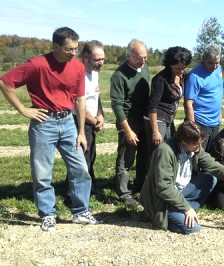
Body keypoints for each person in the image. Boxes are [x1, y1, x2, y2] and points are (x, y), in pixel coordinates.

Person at [0, 27, 99, 231]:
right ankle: (47, 214)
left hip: (69, 123)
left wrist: (81, 131)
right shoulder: (37, 64)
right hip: (44, 124)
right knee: (42, 172)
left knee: (80, 169)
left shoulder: (78, 67)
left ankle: (80, 212)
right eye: (69, 49)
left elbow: (80, 99)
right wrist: (23, 110)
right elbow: (5, 82)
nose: (73, 53)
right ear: (55, 46)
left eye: (76, 49)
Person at [139, 121, 224, 234]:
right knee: (192, 228)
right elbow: (164, 187)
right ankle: (160, 215)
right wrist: (187, 208)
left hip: (182, 191)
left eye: (201, 143)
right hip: (162, 200)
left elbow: (213, 166)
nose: (200, 147)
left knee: (210, 178)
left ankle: (182, 209)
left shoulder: (195, 148)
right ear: (184, 141)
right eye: (197, 144)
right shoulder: (165, 151)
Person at [110, 39, 150, 209]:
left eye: (145, 57)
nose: (143, 61)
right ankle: (124, 193)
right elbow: (117, 105)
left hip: (144, 117)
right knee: (126, 158)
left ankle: (140, 187)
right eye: (139, 58)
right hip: (129, 119)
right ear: (128, 56)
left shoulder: (145, 68)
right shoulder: (119, 75)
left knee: (144, 155)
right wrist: (127, 130)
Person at [145, 46, 192, 161]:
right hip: (157, 119)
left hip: (169, 118)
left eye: (183, 68)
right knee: (157, 152)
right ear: (169, 64)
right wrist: (155, 131)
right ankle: (151, 178)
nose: (181, 71)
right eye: (177, 68)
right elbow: (152, 105)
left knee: (171, 149)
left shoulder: (183, 76)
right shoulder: (160, 79)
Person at [70, 40, 106, 187]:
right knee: (82, 156)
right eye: (98, 59)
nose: (101, 63)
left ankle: (89, 184)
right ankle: (75, 191)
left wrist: (101, 115)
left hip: (91, 121)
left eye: (103, 59)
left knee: (91, 154)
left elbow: (95, 97)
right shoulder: (78, 74)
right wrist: (94, 121)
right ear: (86, 56)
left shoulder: (95, 72)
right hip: (79, 121)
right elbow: (78, 104)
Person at [184, 43, 222, 152]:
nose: (214, 66)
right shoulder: (195, 76)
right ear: (203, 58)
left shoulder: (218, 69)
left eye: (217, 63)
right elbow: (188, 103)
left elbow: (217, 91)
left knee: (211, 154)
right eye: (210, 63)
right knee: (198, 154)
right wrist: (193, 127)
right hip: (201, 122)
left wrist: (220, 112)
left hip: (215, 122)